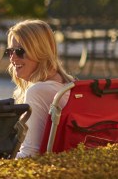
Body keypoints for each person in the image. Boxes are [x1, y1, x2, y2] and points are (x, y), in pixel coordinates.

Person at [6, 19, 74, 158]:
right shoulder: (69, 84)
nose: (13, 58)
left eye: (19, 51)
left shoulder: (38, 91)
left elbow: (31, 154)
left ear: (39, 51)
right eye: (10, 51)